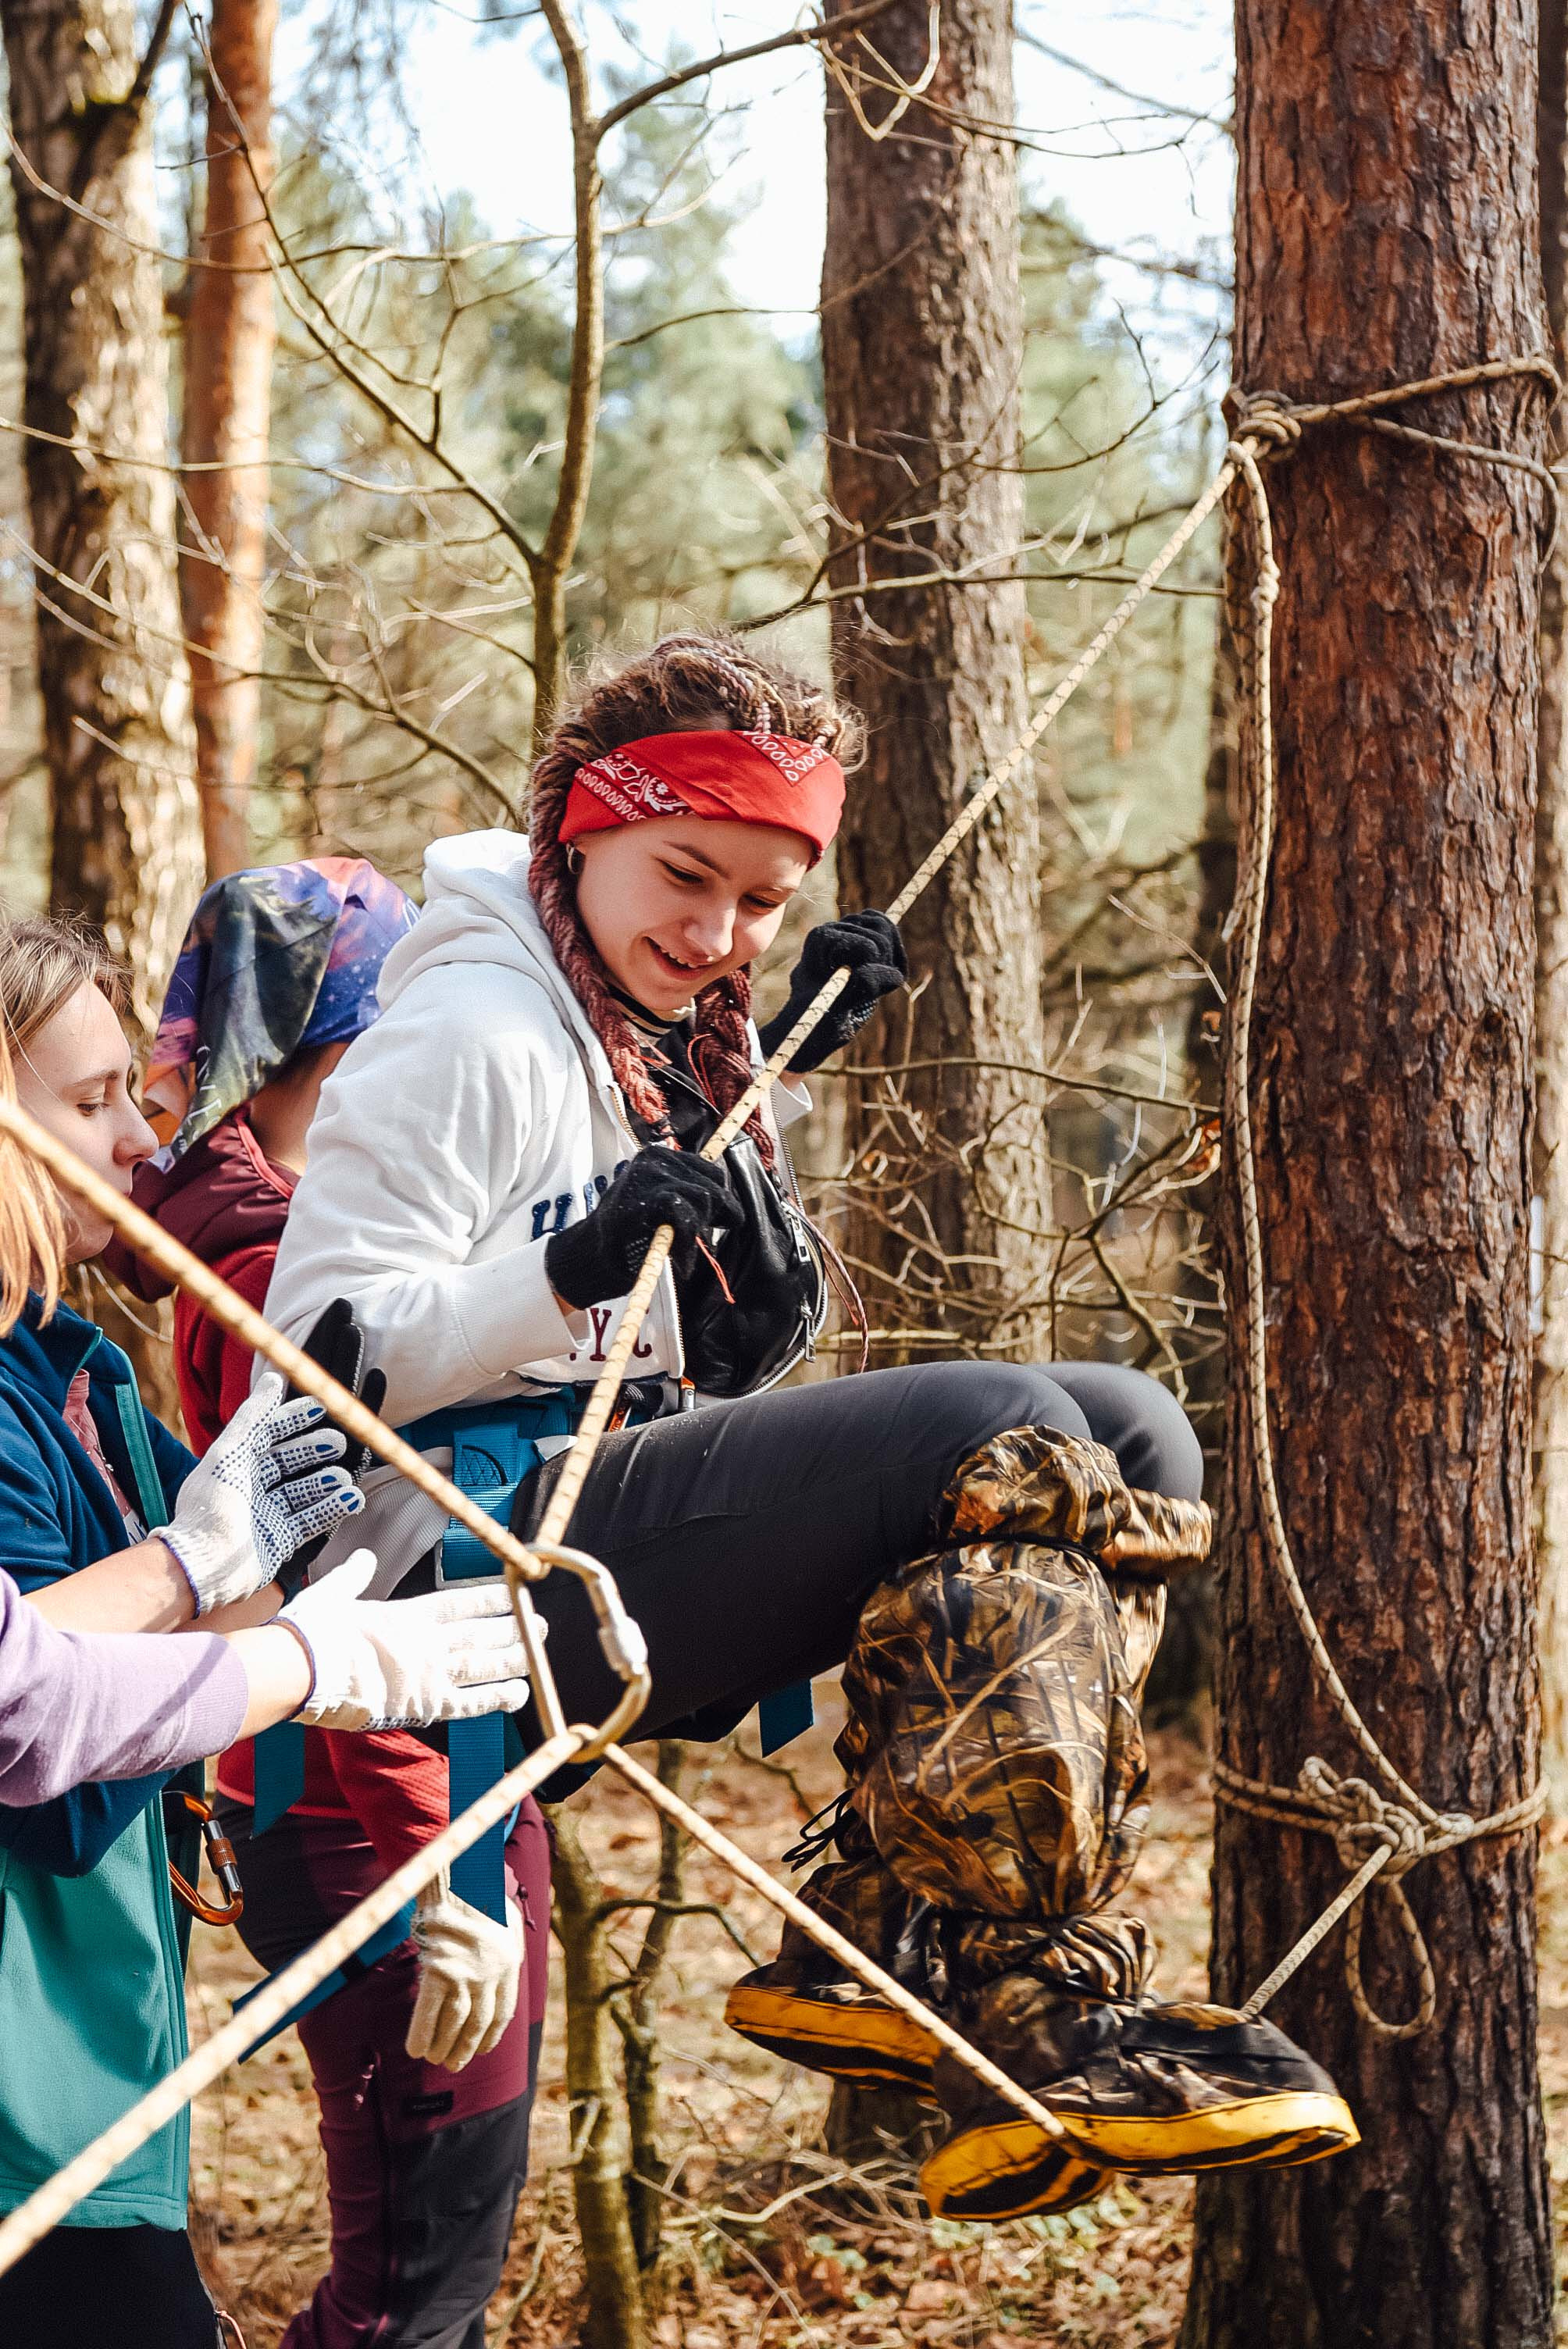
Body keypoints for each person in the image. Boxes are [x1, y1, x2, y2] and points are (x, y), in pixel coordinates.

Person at [267, 632, 1356, 2235]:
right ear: (580, 827)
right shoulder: (474, 1028)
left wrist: (764, 1137)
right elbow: (313, 1362)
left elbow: (704, 1380)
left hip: (599, 1534)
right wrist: (553, 1271)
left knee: (1128, 1435)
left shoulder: (657, 1041)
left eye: (759, 903)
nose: (716, 934)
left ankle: (904, 1913)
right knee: (999, 1419)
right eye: (683, 875)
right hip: (459, 1562)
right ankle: (1022, 2009)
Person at [0, 915, 535, 2349]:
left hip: (101, 2044)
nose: (136, 1141)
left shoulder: (85, 1370)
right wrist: (444, 1850)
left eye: (139, 1094)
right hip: (26, 2068)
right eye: (91, 1100)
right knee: (411, 2299)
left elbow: (211, 1624)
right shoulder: (103, 1348)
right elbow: (30, 1710)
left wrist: (255, 1570)